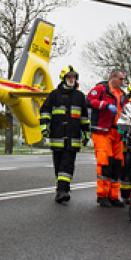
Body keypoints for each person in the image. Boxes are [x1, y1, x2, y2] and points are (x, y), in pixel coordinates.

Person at [40, 65, 91, 203]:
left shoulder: (80, 96)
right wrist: (44, 126)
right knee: (58, 165)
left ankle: (63, 191)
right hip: (57, 137)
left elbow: (84, 117)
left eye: (73, 77)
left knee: (67, 165)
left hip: (73, 137)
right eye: (69, 77)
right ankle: (60, 189)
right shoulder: (54, 95)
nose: (71, 79)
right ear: (63, 78)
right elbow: (45, 111)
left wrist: (86, 133)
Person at [86, 69, 127, 207]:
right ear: (112, 77)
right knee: (105, 163)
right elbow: (89, 101)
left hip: (118, 133)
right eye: (120, 79)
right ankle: (102, 195)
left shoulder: (123, 95)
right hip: (102, 132)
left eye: (124, 80)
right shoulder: (101, 89)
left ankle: (113, 196)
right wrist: (105, 105)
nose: (122, 82)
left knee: (117, 164)